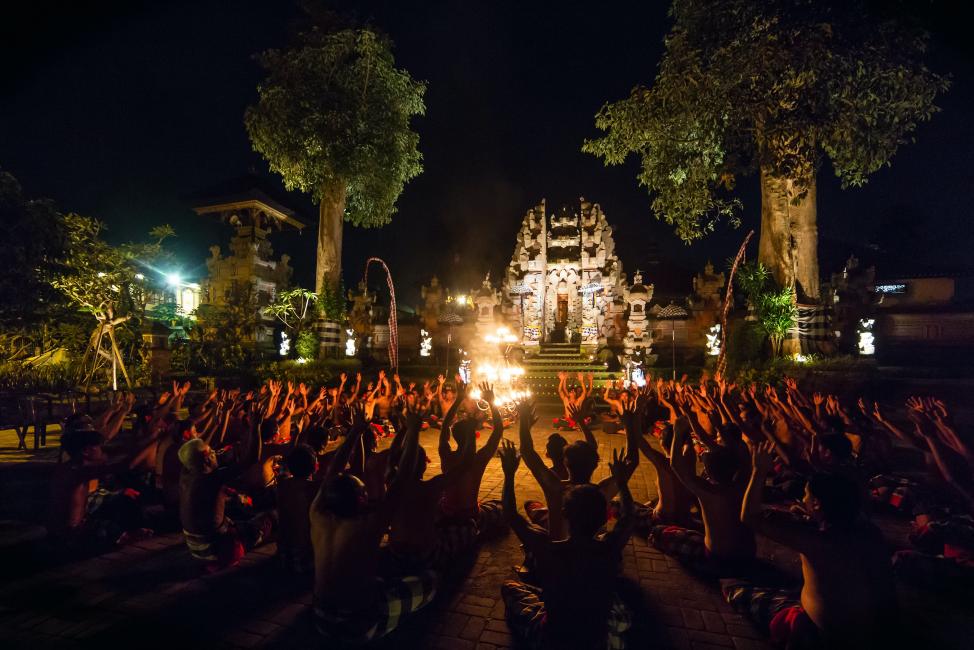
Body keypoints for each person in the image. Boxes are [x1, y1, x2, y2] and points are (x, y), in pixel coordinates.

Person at [722, 442, 898, 648]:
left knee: (733, 588)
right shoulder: (870, 533)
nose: (802, 499)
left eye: (806, 495)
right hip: (869, 629)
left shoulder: (817, 540)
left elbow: (749, 517)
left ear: (817, 504)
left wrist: (758, 471)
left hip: (825, 634)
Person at [310, 414, 437, 644]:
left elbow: (331, 475)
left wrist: (355, 432)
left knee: (376, 571)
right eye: (364, 494)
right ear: (360, 500)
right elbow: (402, 478)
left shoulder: (317, 514)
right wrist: (415, 430)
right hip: (359, 623)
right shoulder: (368, 526)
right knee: (430, 582)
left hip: (319, 616)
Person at [499, 440, 635, 649]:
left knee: (509, 587)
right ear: (602, 520)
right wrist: (623, 482)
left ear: (565, 514)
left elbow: (510, 513)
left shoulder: (549, 549)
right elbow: (627, 517)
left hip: (553, 639)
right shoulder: (610, 546)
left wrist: (509, 474)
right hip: (596, 641)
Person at [178, 406, 275, 571]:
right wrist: (255, 426)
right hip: (215, 549)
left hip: (194, 547)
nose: (215, 453)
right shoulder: (211, 479)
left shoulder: (187, 475)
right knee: (270, 518)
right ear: (206, 461)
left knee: (235, 502)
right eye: (212, 453)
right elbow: (252, 458)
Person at [437, 381, 506, 536]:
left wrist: (458, 399)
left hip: (447, 512)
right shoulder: (478, 460)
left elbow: (444, 427)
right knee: (500, 507)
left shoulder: (446, 456)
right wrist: (491, 402)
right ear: (473, 436)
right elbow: (498, 430)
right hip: (470, 515)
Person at [275, 444, 321, 573]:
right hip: (304, 556)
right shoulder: (314, 489)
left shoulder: (282, 484)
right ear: (315, 467)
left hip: (284, 552)